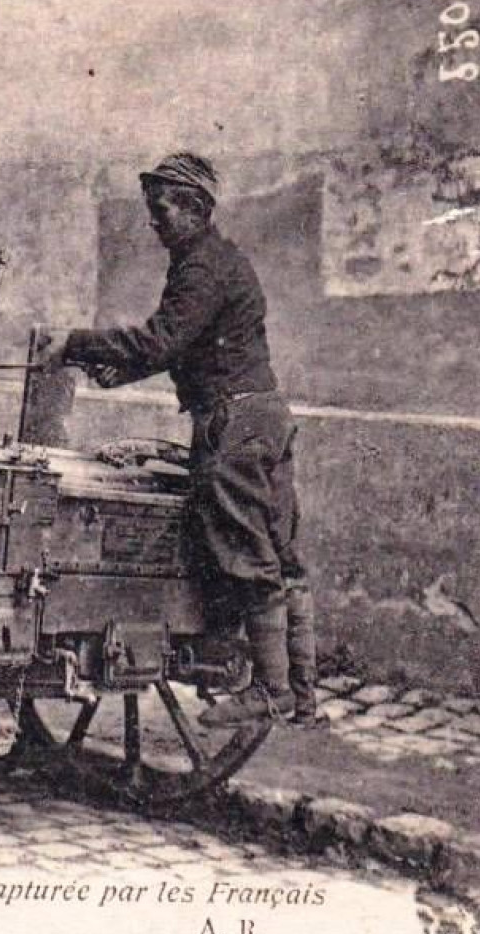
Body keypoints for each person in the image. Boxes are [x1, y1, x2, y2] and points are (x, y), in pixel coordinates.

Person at [34, 152, 317, 728]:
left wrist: (74, 344)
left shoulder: (202, 268)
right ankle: (301, 695)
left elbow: (161, 340)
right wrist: (121, 371)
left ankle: (270, 691)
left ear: (193, 207)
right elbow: (186, 344)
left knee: (244, 552)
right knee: (283, 559)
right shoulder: (211, 261)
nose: (153, 221)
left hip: (233, 425)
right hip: (263, 416)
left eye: (161, 209)